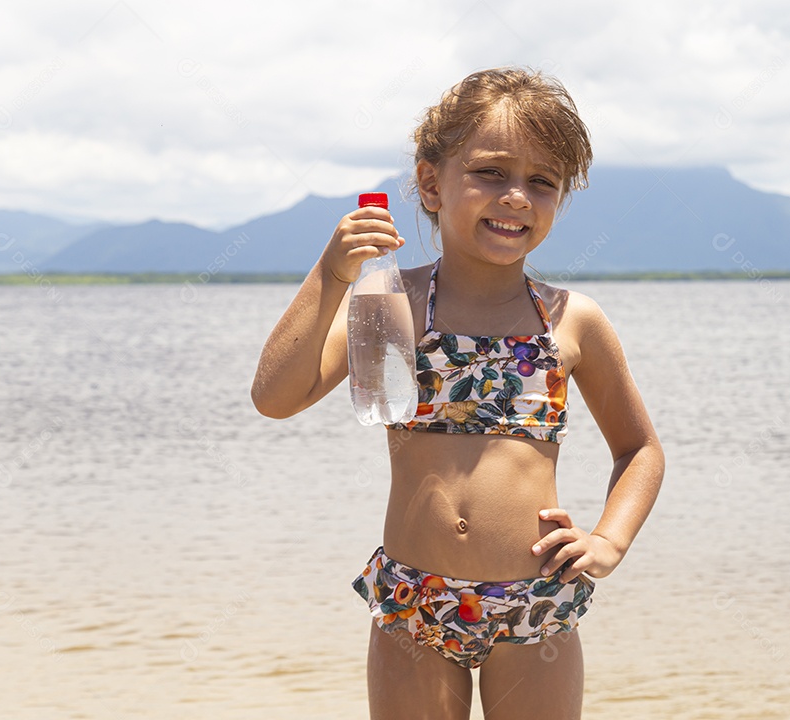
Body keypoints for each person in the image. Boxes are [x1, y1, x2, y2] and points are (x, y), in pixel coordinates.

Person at [251, 67, 665, 720]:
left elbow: (639, 448)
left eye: (541, 182)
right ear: (429, 183)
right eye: (492, 173)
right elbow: (276, 395)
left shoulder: (570, 320)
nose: (517, 198)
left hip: (533, 602)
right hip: (415, 601)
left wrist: (609, 541)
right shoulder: (389, 305)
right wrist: (332, 275)